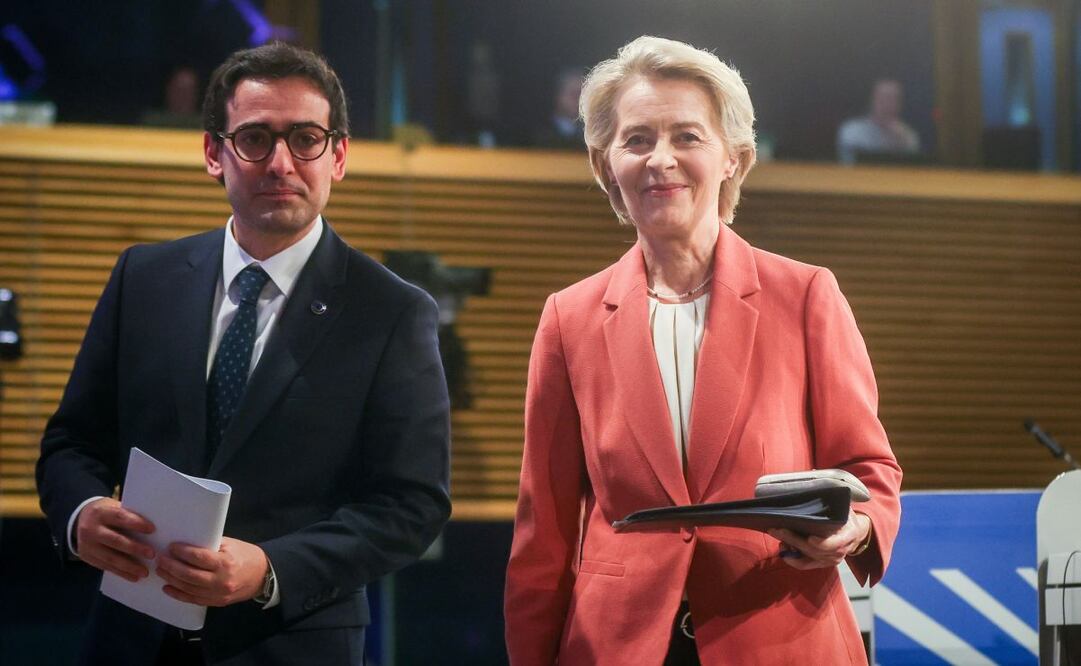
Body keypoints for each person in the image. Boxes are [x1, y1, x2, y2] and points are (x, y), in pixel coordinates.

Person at [36, 42, 451, 665]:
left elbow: (412, 507)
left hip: (289, 645)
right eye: (255, 138)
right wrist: (81, 512)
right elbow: (71, 442)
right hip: (128, 640)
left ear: (338, 157)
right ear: (214, 153)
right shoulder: (143, 278)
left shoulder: (392, 312)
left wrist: (270, 569)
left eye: (306, 139)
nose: (281, 163)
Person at [504, 36, 902, 665]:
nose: (660, 159)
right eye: (637, 140)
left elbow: (869, 469)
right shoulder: (568, 319)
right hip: (617, 648)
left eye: (687, 136)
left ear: (732, 158)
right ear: (606, 164)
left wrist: (854, 529)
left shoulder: (805, 296)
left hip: (778, 640)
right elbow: (543, 535)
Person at [836, 78, 921, 165]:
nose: (887, 104)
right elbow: (848, 164)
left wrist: (900, 141)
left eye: (893, 99)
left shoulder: (908, 136)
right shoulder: (851, 130)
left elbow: (913, 167)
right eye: (883, 98)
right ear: (872, 100)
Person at [532, 69, 585, 150]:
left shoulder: (593, 134)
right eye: (573, 93)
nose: (578, 99)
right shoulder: (538, 133)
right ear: (558, 95)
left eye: (582, 93)